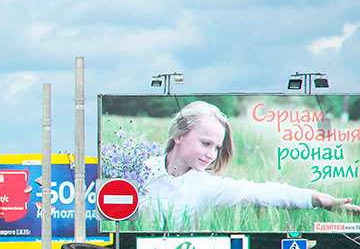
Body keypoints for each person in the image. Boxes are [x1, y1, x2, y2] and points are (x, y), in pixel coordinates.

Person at [140, 101, 360, 225]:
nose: (212, 155)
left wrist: (318, 199)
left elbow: (260, 192)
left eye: (216, 148)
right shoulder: (140, 168)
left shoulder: (207, 186)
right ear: (179, 136)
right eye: (206, 143)